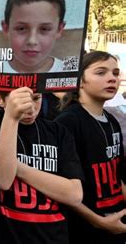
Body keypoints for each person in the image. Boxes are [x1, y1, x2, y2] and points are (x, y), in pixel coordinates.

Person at [0, 87, 83, 243]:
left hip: (52, 236)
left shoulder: (57, 131)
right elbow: (1, 179)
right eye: (21, 100)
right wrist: (11, 117)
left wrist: (17, 167)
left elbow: (74, 195)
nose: (30, 107)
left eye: (36, 98)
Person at [56, 51, 126, 243]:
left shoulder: (112, 120)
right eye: (101, 72)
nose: (112, 78)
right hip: (85, 227)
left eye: (115, 72)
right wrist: (99, 222)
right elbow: (62, 187)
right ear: (79, 81)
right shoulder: (68, 122)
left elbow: (117, 175)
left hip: (116, 221)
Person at [1, 0, 69, 74]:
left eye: (44, 29)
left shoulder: (69, 71)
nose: (32, 41)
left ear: (59, 30)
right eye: (21, 28)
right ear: (6, 29)